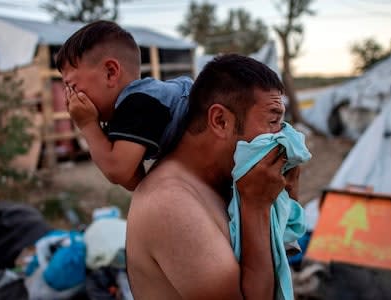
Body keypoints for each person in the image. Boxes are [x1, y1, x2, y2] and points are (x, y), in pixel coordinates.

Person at [126, 54, 302, 299]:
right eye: (273, 121)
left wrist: (284, 196)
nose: (283, 136)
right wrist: (255, 207)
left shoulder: (225, 181)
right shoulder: (170, 203)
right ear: (221, 121)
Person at [55, 20, 192, 190]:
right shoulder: (125, 111)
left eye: (72, 87)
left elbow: (118, 171)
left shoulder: (139, 102)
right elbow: (135, 181)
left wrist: (87, 124)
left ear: (110, 73)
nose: (70, 99)